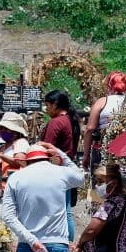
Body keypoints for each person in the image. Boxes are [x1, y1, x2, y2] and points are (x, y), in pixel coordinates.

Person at [43, 91, 82, 242]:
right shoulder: (70, 121)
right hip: (67, 168)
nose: (46, 109)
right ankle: (69, 244)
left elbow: (47, 147)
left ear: (55, 105)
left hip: (54, 170)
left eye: (47, 105)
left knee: (57, 211)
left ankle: (59, 242)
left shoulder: (56, 122)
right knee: (66, 211)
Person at [81, 72, 126, 172]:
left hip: (103, 149)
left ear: (109, 85)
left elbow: (90, 129)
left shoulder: (102, 102)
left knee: (101, 177)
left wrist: (86, 155)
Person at [0, 112, 30, 187]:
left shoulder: (21, 143)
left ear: (15, 132)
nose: (3, 131)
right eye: (2, 128)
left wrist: (0, 155)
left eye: (6, 129)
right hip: (1, 186)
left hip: (13, 186)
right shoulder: (3, 146)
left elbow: (21, 163)